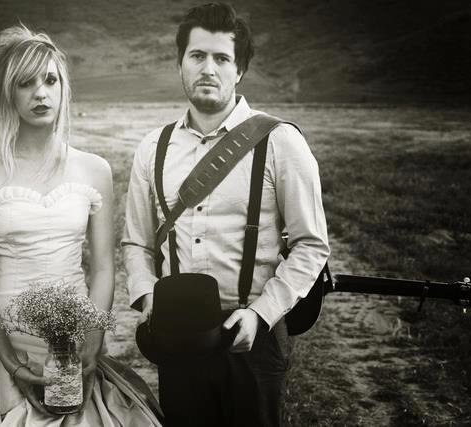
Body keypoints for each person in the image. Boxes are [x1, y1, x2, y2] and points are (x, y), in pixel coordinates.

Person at [0, 24, 162, 426]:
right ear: (9, 92)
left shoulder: (94, 169)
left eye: (50, 81)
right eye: (26, 83)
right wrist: (10, 360)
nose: (41, 93)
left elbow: (103, 268)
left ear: (63, 89)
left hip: (70, 343)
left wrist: (92, 340)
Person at [122, 3, 330, 426]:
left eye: (222, 58)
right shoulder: (153, 148)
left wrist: (261, 314)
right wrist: (148, 297)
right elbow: (137, 242)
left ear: (240, 70)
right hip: (179, 334)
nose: (208, 69)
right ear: (180, 63)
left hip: (254, 337)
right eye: (197, 56)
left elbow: (311, 245)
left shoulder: (280, 142)